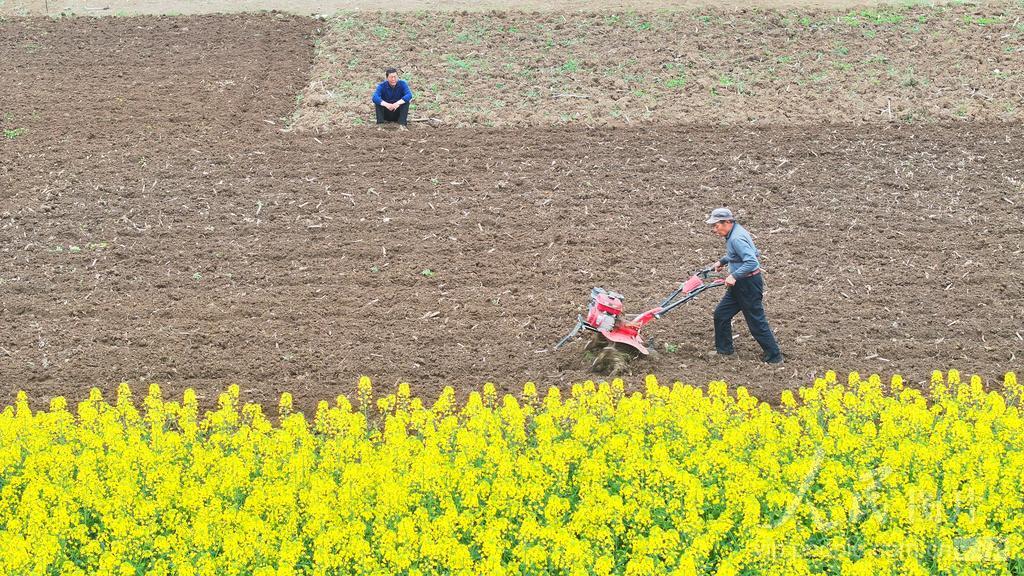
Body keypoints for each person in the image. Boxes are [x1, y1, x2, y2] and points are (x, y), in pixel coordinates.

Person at [705, 207, 784, 364]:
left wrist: (734, 275)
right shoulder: (735, 232)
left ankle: (775, 357)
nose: (714, 229)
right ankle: (725, 351)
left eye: (716, 225)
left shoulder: (736, 238)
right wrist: (723, 261)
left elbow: (752, 262)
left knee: (756, 321)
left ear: (727, 222)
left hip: (747, 284)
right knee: (721, 314)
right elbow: (745, 253)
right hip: (740, 283)